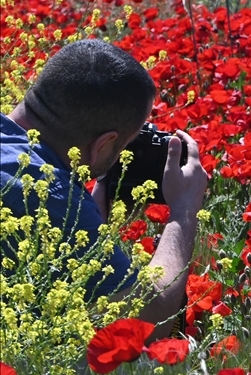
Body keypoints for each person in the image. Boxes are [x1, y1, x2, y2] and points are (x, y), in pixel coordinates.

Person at [1, 39, 208, 339]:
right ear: (103, 144)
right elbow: (148, 318)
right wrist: (185, 210)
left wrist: (102, 191)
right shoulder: (55, 198)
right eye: (124, 144)